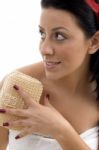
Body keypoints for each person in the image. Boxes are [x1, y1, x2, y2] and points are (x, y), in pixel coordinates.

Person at [0, 0, 99, 149]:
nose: (44, 49)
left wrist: (59, 129)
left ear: (94, 42)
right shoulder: (17, 85)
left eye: (59, 36)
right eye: (42, 33)